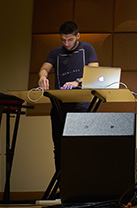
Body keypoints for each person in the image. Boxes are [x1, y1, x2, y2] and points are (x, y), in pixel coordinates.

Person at [38, 21, 99, 171]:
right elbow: (45, 68)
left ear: (78, 36)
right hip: (59, 106)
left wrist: (77, 81)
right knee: (59, 147)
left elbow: (94, 73)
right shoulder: (55, 52)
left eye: (70, 39)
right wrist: (42, 76)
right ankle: (62, 187)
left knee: (80, 147)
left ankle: (80, 186)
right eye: (63, 40)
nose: (67, 43)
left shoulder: (87, 48)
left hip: (80, 105)